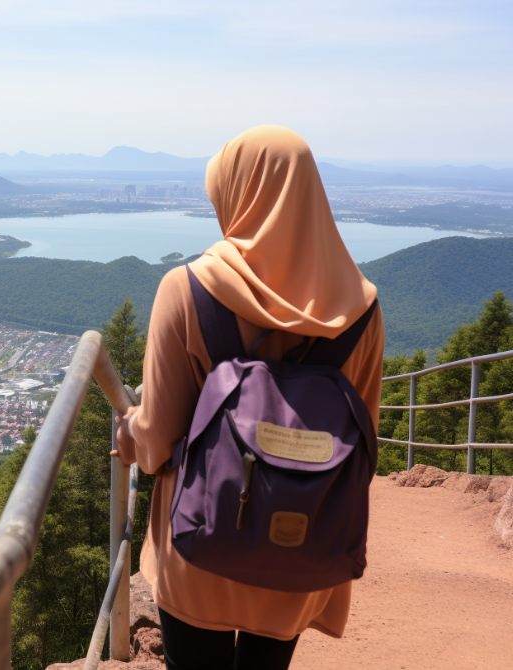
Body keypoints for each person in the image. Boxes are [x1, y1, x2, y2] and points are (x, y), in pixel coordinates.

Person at [113, 126, 384, 670]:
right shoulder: (362, 311)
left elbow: (159, 443)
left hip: (200, 543)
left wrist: (128, 435)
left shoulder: (186, 291)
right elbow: (364, 441)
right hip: (303, 538)